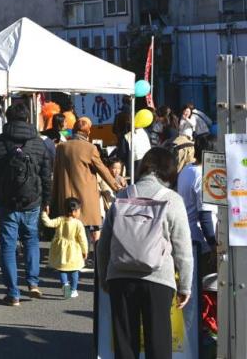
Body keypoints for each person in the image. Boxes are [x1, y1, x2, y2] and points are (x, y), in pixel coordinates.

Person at [97, 147, 194, 359]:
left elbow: (103, 244)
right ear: (169, 171)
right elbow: (183, 248)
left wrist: (105, 276)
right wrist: (185, 285)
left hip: (120, 276)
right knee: (158, 340)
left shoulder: (123, 195)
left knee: (124, 341)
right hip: (158, 279)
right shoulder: (172, 199)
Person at [0, 102, 53, 306]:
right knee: (31, 240)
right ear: (27, 118)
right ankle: (33, 283)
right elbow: (46, 175)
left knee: (8, 245)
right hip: (32, 200)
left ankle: (13, 293)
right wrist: (47, 200)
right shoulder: (38, 143)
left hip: (6, 202)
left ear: (7, 118)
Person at [52, 117, 122, 265]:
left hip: (65, 193)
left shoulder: (62, 147)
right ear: (88, 132)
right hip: (85, 195)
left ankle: (71, 258)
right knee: (88, 227)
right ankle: (86, 258)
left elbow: (56, 171)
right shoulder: (90, 148)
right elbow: (102, 170)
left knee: (70, 228)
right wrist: (117, 187)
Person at [176, 136, 218, 275]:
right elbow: (205, 215)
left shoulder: (186, 169)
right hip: (203, 243)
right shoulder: (203, 176)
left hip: (188, 237)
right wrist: (213, 246)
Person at [41, 197, 88, 299]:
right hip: (74, 251)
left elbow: (48, 223)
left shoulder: (60, 220)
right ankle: (73, 290)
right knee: (75, 270)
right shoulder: (78, 224)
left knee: (62, 270)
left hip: (61, 250)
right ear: (74, 211)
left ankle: (65, 285)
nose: (80, 212)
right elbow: (83, 239)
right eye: (79, 210)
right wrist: (85, 251)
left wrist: (44, 214)